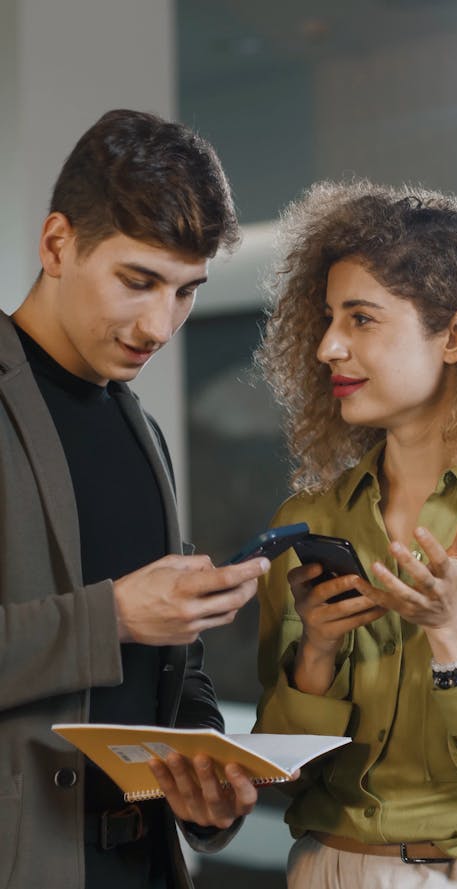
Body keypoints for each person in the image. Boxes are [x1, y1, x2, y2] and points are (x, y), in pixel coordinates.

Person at [0, 109, 270, 889]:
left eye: (186, 291)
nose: (161, 324)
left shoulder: (143, 431)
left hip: (144, 866)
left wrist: (211, 784)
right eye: (138, 280)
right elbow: (123, 620)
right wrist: (111, 615)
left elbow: (175, 674)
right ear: (57, 244)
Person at [254, 179, 457, 888]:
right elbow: (282, 773)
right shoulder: (311, 523)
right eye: (328, 318)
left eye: (361, 318)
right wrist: (318, 655)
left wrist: (456, 634)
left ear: (456, 334)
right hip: (322, 866)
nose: (329, 345)